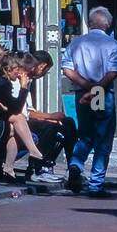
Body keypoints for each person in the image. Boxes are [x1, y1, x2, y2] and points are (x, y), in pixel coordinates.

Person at [62, 7, 117, 197]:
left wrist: (86, 86)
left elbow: (67, 69)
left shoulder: (76, 43)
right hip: (102, 93)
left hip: (82, 92)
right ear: (108, 24)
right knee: (102, 139)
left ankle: (75, 164)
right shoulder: (112, 44)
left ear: (90, 23)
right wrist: (96, 89)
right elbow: (113, 71)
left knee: (85, 135)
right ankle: (96, 185)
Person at [0, 52, 44, 181]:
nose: (18, 73)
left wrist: (4, 107)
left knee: (13, 128)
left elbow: (8, 106)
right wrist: (23, 87)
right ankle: (33, 152)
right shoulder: (2, 83)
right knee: (17, 118)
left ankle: (9, 169)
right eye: (16, 70)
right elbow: (16, 108)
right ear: (8, 69)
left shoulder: (0, 79)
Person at [21, 50, 77, 180]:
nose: (44, 74)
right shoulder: (22, 80)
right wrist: (50, 117)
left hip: (26, 118)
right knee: (51, 128)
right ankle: (40, 167)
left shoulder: (29, 81)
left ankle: (73, 167)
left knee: (68, 123)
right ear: (41, 66)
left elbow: (29, 109)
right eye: (46, 70)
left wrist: (49, 117)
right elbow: (26, 113)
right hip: (20, 122)